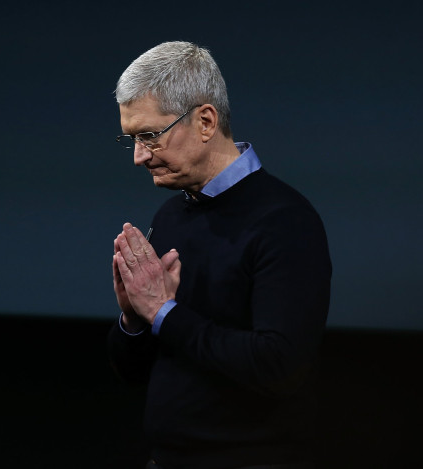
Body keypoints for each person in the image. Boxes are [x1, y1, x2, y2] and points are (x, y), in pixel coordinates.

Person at [107, 41, 331, 469]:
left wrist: (164, 315)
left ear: (206, 122)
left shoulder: (286, 221)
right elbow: (133, 373)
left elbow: (279, 366)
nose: (138, 157)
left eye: (150, 136)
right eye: (131, 139)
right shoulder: (172, 214)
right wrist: (135, 319)